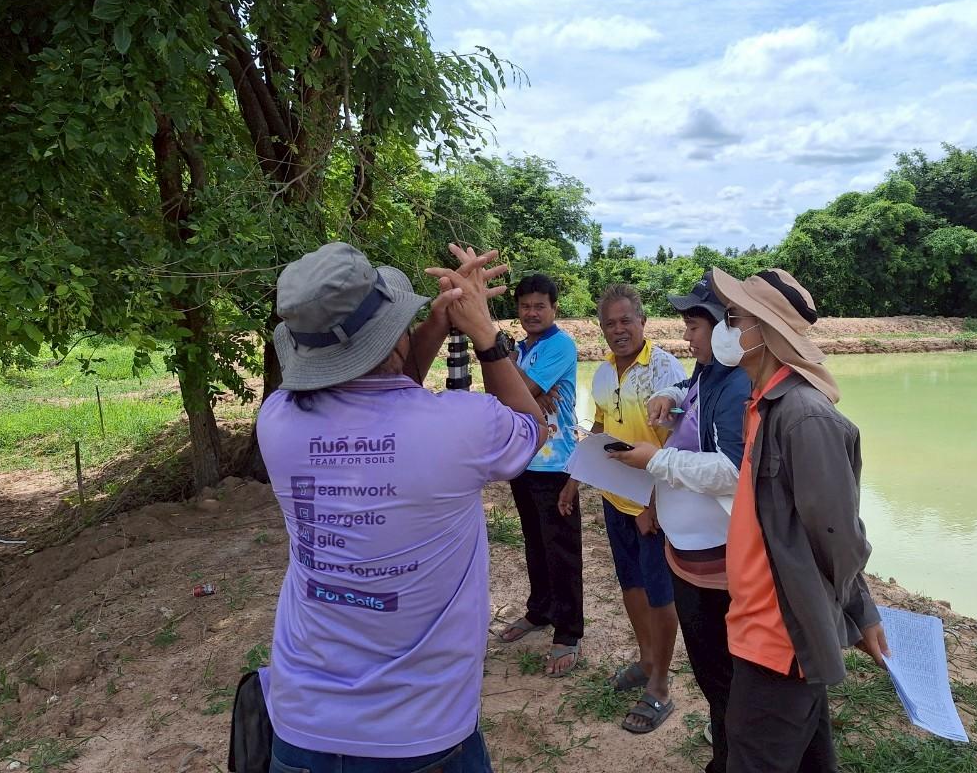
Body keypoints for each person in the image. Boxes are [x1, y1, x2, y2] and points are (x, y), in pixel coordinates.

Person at [256, 241, 547, 773]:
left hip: (301, 727)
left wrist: (430, 326)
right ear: (394, 337)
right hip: (425, 733)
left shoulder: (276, 420)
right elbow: (532, 429)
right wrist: (484, 333)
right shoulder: (461, 426)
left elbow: (381, 394)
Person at [708, 266, 889, 773]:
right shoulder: (763, 405)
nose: (725, 327)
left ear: (763, 333)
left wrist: (861, 608)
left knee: (753, 752)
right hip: (761, 626)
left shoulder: (803, 418)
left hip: (780, 636)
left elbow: (838, 536)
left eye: (733, 317)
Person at [605, 271, 750, 773]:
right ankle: (724, 731)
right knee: (712, 666)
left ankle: (729, 752)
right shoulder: (707, 374)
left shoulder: (737, 385)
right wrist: (671, 396)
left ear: (728, 331)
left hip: (716, 558)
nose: (686, 336)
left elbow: (730, 470)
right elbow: (687, 389)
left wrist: (655, 460)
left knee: (721, 665)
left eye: (694, 326)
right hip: (692, 552)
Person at [560, 283, 684, 733]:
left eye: (625, 320)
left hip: (655, 503)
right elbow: (598, 428)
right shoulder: (603, 372)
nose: (618, 330)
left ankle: (661, 686)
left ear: (643, 321)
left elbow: (680, 442)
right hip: (616, 497)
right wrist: (575, 479)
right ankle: (646, 658)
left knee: (659, 592)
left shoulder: (665, 370)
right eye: (609, 323)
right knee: (630, 584)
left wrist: (651, 502)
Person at [497, 273, 584, 677]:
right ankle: (540, 611)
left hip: (555, 462)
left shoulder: (560, 344)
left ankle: (568, 632)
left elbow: (517, 391)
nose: (531, 313)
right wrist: (516, 376)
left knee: (561, 549)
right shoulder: (522, 347)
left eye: (540, 306)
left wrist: (515, 375)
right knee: (535, 542)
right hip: (524, 458)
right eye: (525, 306)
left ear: (554, 309)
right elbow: (507, 392)